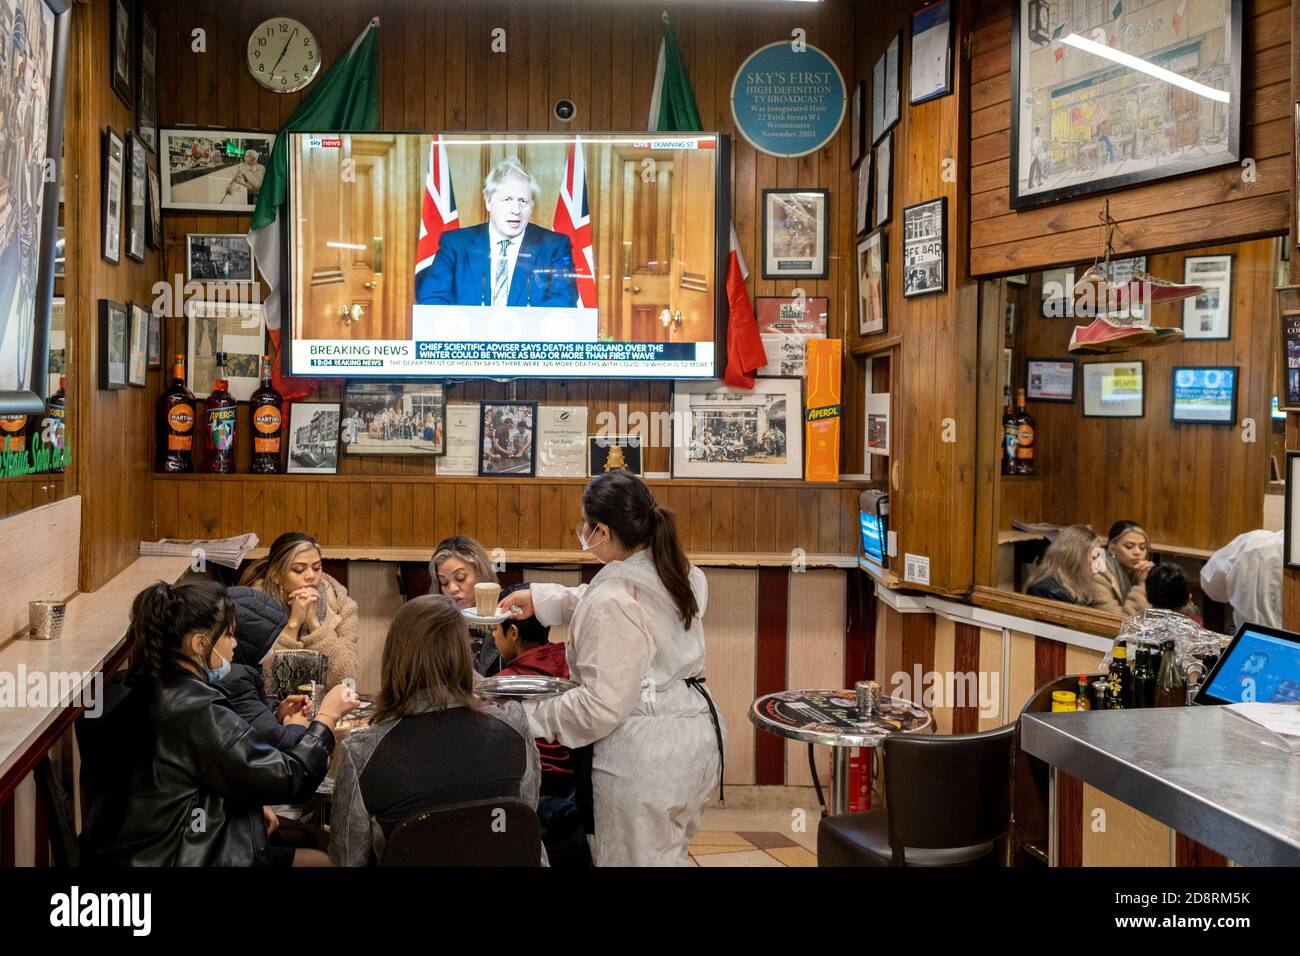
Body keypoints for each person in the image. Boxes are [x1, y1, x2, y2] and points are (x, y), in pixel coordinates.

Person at [498, 471, 725, 867]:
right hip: (693, 741)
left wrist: (525, 715)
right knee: (665, 856)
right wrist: (543, 598)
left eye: (584, 524)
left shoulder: (614, 601)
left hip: (643, 761)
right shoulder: (675, 572)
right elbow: (623, 600)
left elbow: (599, 708)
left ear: (601, 531)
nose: (580, 531)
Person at [81, 581, 357, 867]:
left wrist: (248, 801)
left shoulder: (143, 688)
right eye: (229, 634)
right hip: (175, 855)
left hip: (138, 852)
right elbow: (292, 778)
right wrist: (326, 718)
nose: (235, 644)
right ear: (200, 643)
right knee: (323, 859)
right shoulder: (194, 708)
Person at [328, 596, 541, 867]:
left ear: (394, 656)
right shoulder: (514, 727)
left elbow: (347, 859)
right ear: (464, 654)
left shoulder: (361, 753)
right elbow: (523, 825)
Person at [493, 583, 587, 865]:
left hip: (539, 785)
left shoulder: (506, 682)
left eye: (495, 631)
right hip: (577, 777)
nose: (493, 637)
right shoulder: (568, 660)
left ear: (513, 633)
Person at [414, 159, 579, 308]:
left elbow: (563, 303)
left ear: (532, 206)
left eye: (523, 201)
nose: (516, 210)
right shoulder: (455, 244)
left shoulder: (555, 246)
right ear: (488, 202)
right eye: (507, 200)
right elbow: (432, 299)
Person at [240, 532, 359, 690]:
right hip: (273, 708)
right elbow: (265, 685)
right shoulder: (253, 607)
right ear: (276, 576)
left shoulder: (341, 605)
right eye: (298, 570)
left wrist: (315, 625)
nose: (311, 576)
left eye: (317, 568)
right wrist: (293, 624)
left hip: (325, 706)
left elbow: (346, 681)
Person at [217, 585, 313, 751]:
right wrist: (301, 726)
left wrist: (277, 712)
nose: (310, 576)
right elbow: (279, 743)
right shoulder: (233, 679)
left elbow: (254, 719)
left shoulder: (238, 672)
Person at [429, 534, 502, 675]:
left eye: (460, 578)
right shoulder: (434, 624)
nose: (452, 589)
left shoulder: (506, 616)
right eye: (444, 583)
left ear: (481, 574)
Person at [1201, 529, 1283, 629]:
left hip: (1244, 637)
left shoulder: (1251, 541)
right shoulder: (1254, 541)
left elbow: (1212, 586)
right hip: (1288, 641)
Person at [1025, 525, 1102, 606]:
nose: (1099, 563)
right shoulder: (1045, 592)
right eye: (1095, 557)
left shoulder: (1080, 582)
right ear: (1074, 557)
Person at [1092, 521, 1152, 615]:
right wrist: (1142, 585)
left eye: (1142, 547)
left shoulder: (1143, 571)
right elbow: (1121, 620)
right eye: (1129, 546)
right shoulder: (1099, 574)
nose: (1137, 552)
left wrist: (1153, 579)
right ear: (1112, 549)